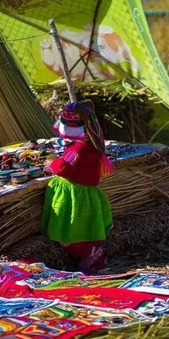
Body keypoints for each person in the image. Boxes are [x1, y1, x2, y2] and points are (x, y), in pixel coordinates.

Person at [41, 99, 113, 273]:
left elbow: (64, 167)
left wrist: (51, 164)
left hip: (74, 194)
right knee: (87, 227)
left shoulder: (78, 148)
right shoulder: (93, 142)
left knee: (71, 230)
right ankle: (96, 260)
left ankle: (90, 253)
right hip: (88, 193)